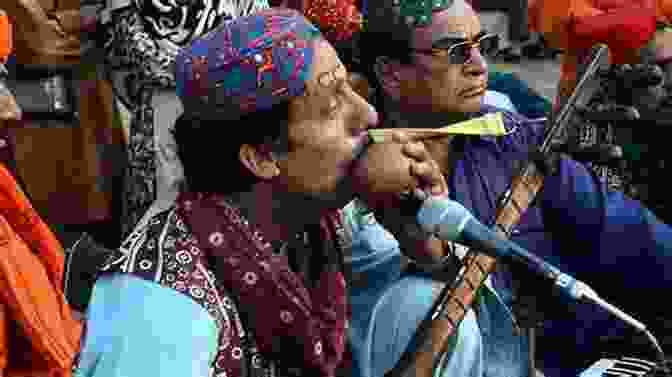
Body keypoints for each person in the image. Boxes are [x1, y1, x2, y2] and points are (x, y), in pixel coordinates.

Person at [74, 8, 448, 377]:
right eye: (333, 105)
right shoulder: (160, 309)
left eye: (351, 88)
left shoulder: (314, 228)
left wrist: (423, 239)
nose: (368, 114)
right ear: (262, 156)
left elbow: (434, 270)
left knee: (423, 304)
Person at [345, 1, 672, 376]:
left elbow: (639, 241)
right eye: (456, 52)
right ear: (390, 73)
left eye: (481, 45)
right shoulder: (349, 184)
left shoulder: (516, 142)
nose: (480, 65)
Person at [102, 0, 270, 237]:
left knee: (226, 203)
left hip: (229, 104)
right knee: (163, 201)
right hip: (164, 110)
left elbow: (263, 28)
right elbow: (135, 49)